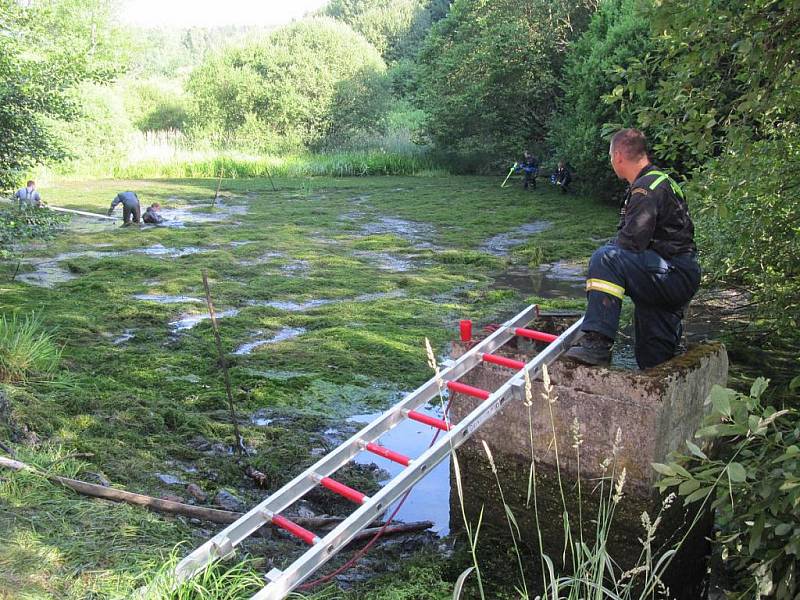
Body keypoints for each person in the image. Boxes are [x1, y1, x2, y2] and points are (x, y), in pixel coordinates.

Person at [564, 128, 700, 369]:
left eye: (610, 158)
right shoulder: (661, 180)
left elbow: (630, 243)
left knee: (605, 259)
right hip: (672, 278)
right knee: (654, 360)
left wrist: (604, 260)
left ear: (618, 156)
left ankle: (597, 343)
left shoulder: (646, 188)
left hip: (670, 273)